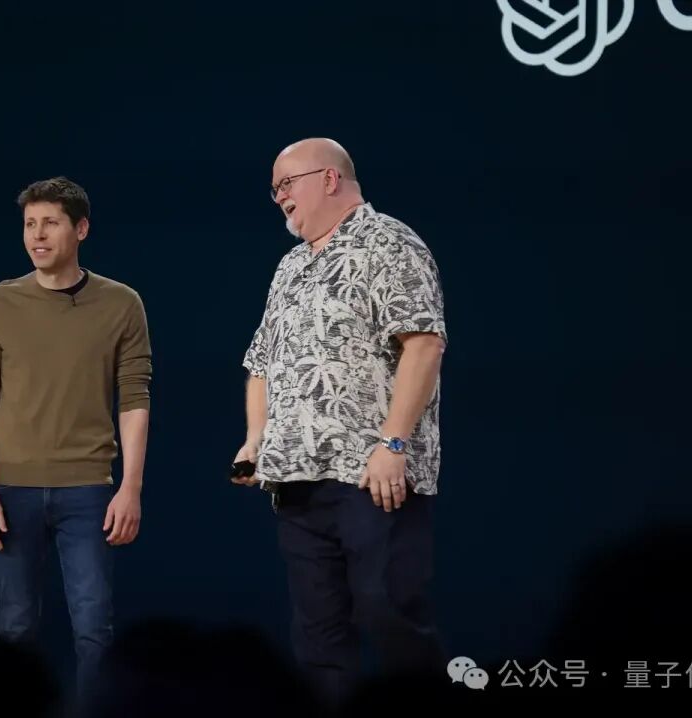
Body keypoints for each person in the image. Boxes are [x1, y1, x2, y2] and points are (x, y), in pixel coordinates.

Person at [233, 138, 448, 706]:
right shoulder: (291, 266)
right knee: (318, 634)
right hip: (296, 478)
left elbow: (424, 343)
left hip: (372, 475)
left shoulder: (389, 242)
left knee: (389, 611)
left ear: (330, 179)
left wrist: (392, 444)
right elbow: (261, 363)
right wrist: (255, 439)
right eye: (274, 189)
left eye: (287, 183)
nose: (279, 197)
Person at [0, 176, 151, 698]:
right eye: (29, 224)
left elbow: (134, 397)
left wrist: (130, 487)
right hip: (10, 489)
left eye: (50, 223)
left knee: (94, 628)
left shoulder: (121, 303)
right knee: (15, 626)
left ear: (81, 229)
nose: (37, 235)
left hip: (88, 488)